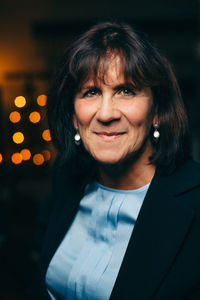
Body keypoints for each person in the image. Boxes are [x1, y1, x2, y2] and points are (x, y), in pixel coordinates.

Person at [38, 21, 200, 300]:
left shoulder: (194, 200)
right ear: (75, 118)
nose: (105, 113)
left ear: (157, 110)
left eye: (126, 90)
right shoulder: (65, 180)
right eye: (91, 92)